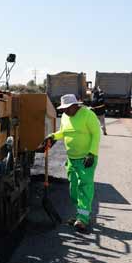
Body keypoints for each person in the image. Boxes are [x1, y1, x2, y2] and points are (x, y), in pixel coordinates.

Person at [37, 94, 101, 234]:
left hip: (86, 158)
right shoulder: (66, 116)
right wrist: (53, 136)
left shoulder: (88, 115)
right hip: (72, 159)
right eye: (63, 109)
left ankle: (83, 219)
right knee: (73, 189)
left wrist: (91, 153)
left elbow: (96, 134)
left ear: (75, 105)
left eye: (67, 108)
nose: (65, 111)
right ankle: (79, 214)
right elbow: (63, 132)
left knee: (84, 187)